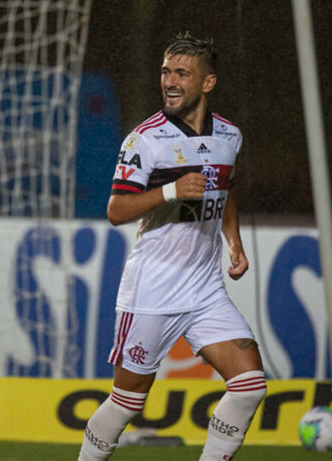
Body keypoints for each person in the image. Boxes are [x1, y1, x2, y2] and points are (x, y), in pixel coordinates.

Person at [78, 33, 265, 461]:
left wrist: (232, 241)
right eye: (166, 72)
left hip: (204, 290)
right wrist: (171, 191)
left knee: (250, 385)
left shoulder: (229, 136)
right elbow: (116, 209)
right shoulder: (145, 140)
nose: (171, 81)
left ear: (208, 82)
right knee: (127, 402)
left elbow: (225, 187)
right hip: (151, 291)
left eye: (183, 73)